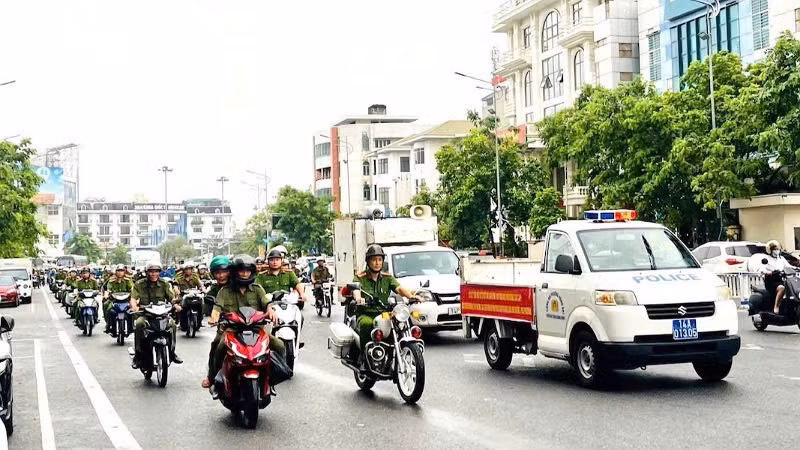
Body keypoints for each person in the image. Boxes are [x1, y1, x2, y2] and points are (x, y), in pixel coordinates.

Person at [201, 255, 283, 389]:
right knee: (217, 347)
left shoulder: (257, 288)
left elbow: (266, 302)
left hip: (256, 328)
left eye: (247, 271)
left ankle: (271, 378)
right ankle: (212, 378)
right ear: (235, 272)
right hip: (231, 329)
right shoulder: (225, 291)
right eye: (241, 271)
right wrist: (214, 317)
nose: (245, 274)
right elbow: (217, 308)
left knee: (279, 345)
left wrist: (271, 310)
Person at [352, 245, 417, 359]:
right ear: (368, 261)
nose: (377, 263)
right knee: (366, 324)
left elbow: (399, 288)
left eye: (379, 259)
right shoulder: (360, 277)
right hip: (366, 313)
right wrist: (359, 298)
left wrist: (411, 295)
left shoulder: (387, 278)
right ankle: (364, 358)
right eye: (374, 259)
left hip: (384, 314)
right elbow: (356, 290)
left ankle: (393, 356)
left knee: (398, 325)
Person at [130, 264, 182, 367]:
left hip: (162, 314)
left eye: (156, 271)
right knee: (139, 324)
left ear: (159, 272)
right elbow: (133, 298)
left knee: (172, 325)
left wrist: (175, 305)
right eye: (151, 271)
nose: (153, 274)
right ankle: (138, 355)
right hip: (146, 314)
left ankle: (172, 353)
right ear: (147, 272)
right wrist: (134, 307)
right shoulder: (139, 284)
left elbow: (171, 298)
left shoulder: (164, 283)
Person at [758, 240, 791, 314]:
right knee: (781, 288)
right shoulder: (766, 259)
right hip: (771, 281)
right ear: (770, 250)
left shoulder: (781, 259)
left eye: (778, 249)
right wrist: (768, 272)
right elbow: (761, 269)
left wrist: (797, 268)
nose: (777, 251)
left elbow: (789, 267)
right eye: (775, 249)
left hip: (781, 279)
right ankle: (776, 307)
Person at [103, 265, 135, 333]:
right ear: (116, 272)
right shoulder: (111, 280)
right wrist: (106, 294)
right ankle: (108, 325)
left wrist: (133, 295)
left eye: (121, 271)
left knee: (132, 310)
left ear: (124, 272)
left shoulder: (128, 280)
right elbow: (108, 289)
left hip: (126, 300)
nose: (120, 272)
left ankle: (132, 326)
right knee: (107, 306)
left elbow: (132, 288)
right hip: (114, 300)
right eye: (118, 271)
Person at [174, 263, 203, 330]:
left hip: (194, 295)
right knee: (180, 308)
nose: (188, 271)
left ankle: (199, 321)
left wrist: (202, 289)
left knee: (200, 305)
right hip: (183, 296)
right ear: (183, 270)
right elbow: (175, 285)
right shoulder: (179, 277)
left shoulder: (195, 277)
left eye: (189, 269)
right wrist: (177, 291)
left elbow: (200, 285)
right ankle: (181, 323)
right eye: (186, 269)